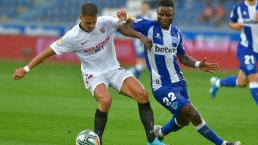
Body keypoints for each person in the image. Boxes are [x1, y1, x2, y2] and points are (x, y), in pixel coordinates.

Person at [12, 3, 166, 145]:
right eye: (87, 22)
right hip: (93, 74)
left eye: (93, 22)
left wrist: (137, 33)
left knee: (142, 94)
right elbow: (47, 52)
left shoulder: (104, 22)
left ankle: (151, 141)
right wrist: (26, 69)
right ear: (81, 18)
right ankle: (97, 141)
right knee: (106, 101)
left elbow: (123, 27)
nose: (91, 25)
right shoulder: (72, 37)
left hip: (113, 69)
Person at [118, 0, 241, 145]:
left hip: (179, 82)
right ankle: (223, 143)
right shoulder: (148, 25)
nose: (164, 18)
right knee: (192, 113)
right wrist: (141, 36)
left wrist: (198, 64)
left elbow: (181, 56)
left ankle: (160, 133)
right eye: (161, 14)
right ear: (157, 13)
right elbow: (123, 28)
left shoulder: (176, 33)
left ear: (173, 15)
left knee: (184, 118)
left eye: (167, 15)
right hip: (162, 86)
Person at [210, 0, 258, 105]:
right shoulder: (239, 8)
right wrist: (236, 26)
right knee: (254, 78)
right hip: (246, 49)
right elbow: (231, 23)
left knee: (242, 83)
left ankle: (218, 83)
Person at [130, 1, 152, 79]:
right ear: (140, 8)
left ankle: (132, 73)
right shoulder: (136, 17)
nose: (143, 9)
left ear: (148, 8)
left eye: (145, 7)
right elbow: (132, 29)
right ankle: (132, 74)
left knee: (144, 64)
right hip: (138, 43)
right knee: (140, 62)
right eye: (142, 7)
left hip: (146, 42)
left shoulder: (149, 18)